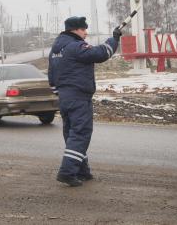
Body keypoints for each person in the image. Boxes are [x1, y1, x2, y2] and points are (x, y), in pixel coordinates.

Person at [48, 16, 122, 187]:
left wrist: (61, 93)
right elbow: (100, 53)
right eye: (83, 29)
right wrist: (114, 38)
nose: (86, 33)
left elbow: (51, 77)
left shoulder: (55, 50)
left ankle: (82, 170)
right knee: (81, 133)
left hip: (65, 98)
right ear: (74, 30)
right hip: (79, 97)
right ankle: (67, 173)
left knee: (72, 134)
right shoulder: (76, 46)